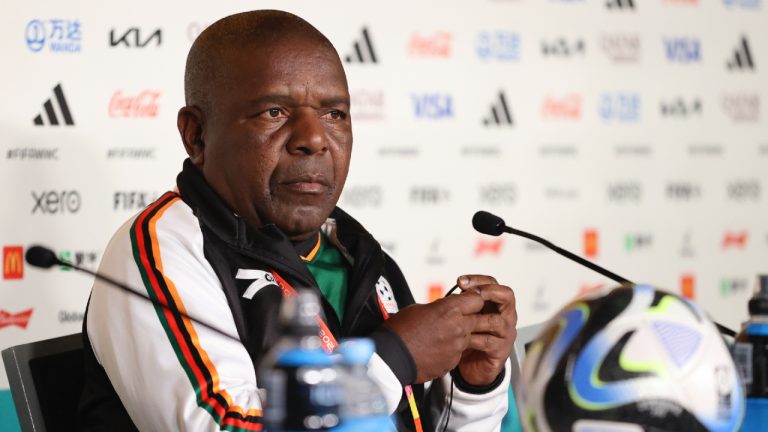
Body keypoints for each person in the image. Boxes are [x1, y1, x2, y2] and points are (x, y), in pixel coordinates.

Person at [78, 10, 517, 431]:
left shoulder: (355, 252)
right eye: (275, 112)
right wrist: (392, 358)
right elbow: (229, 428)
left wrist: (473, 386)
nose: (313, 139)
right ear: (197, 134)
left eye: (334, 114)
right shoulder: (167, 246)